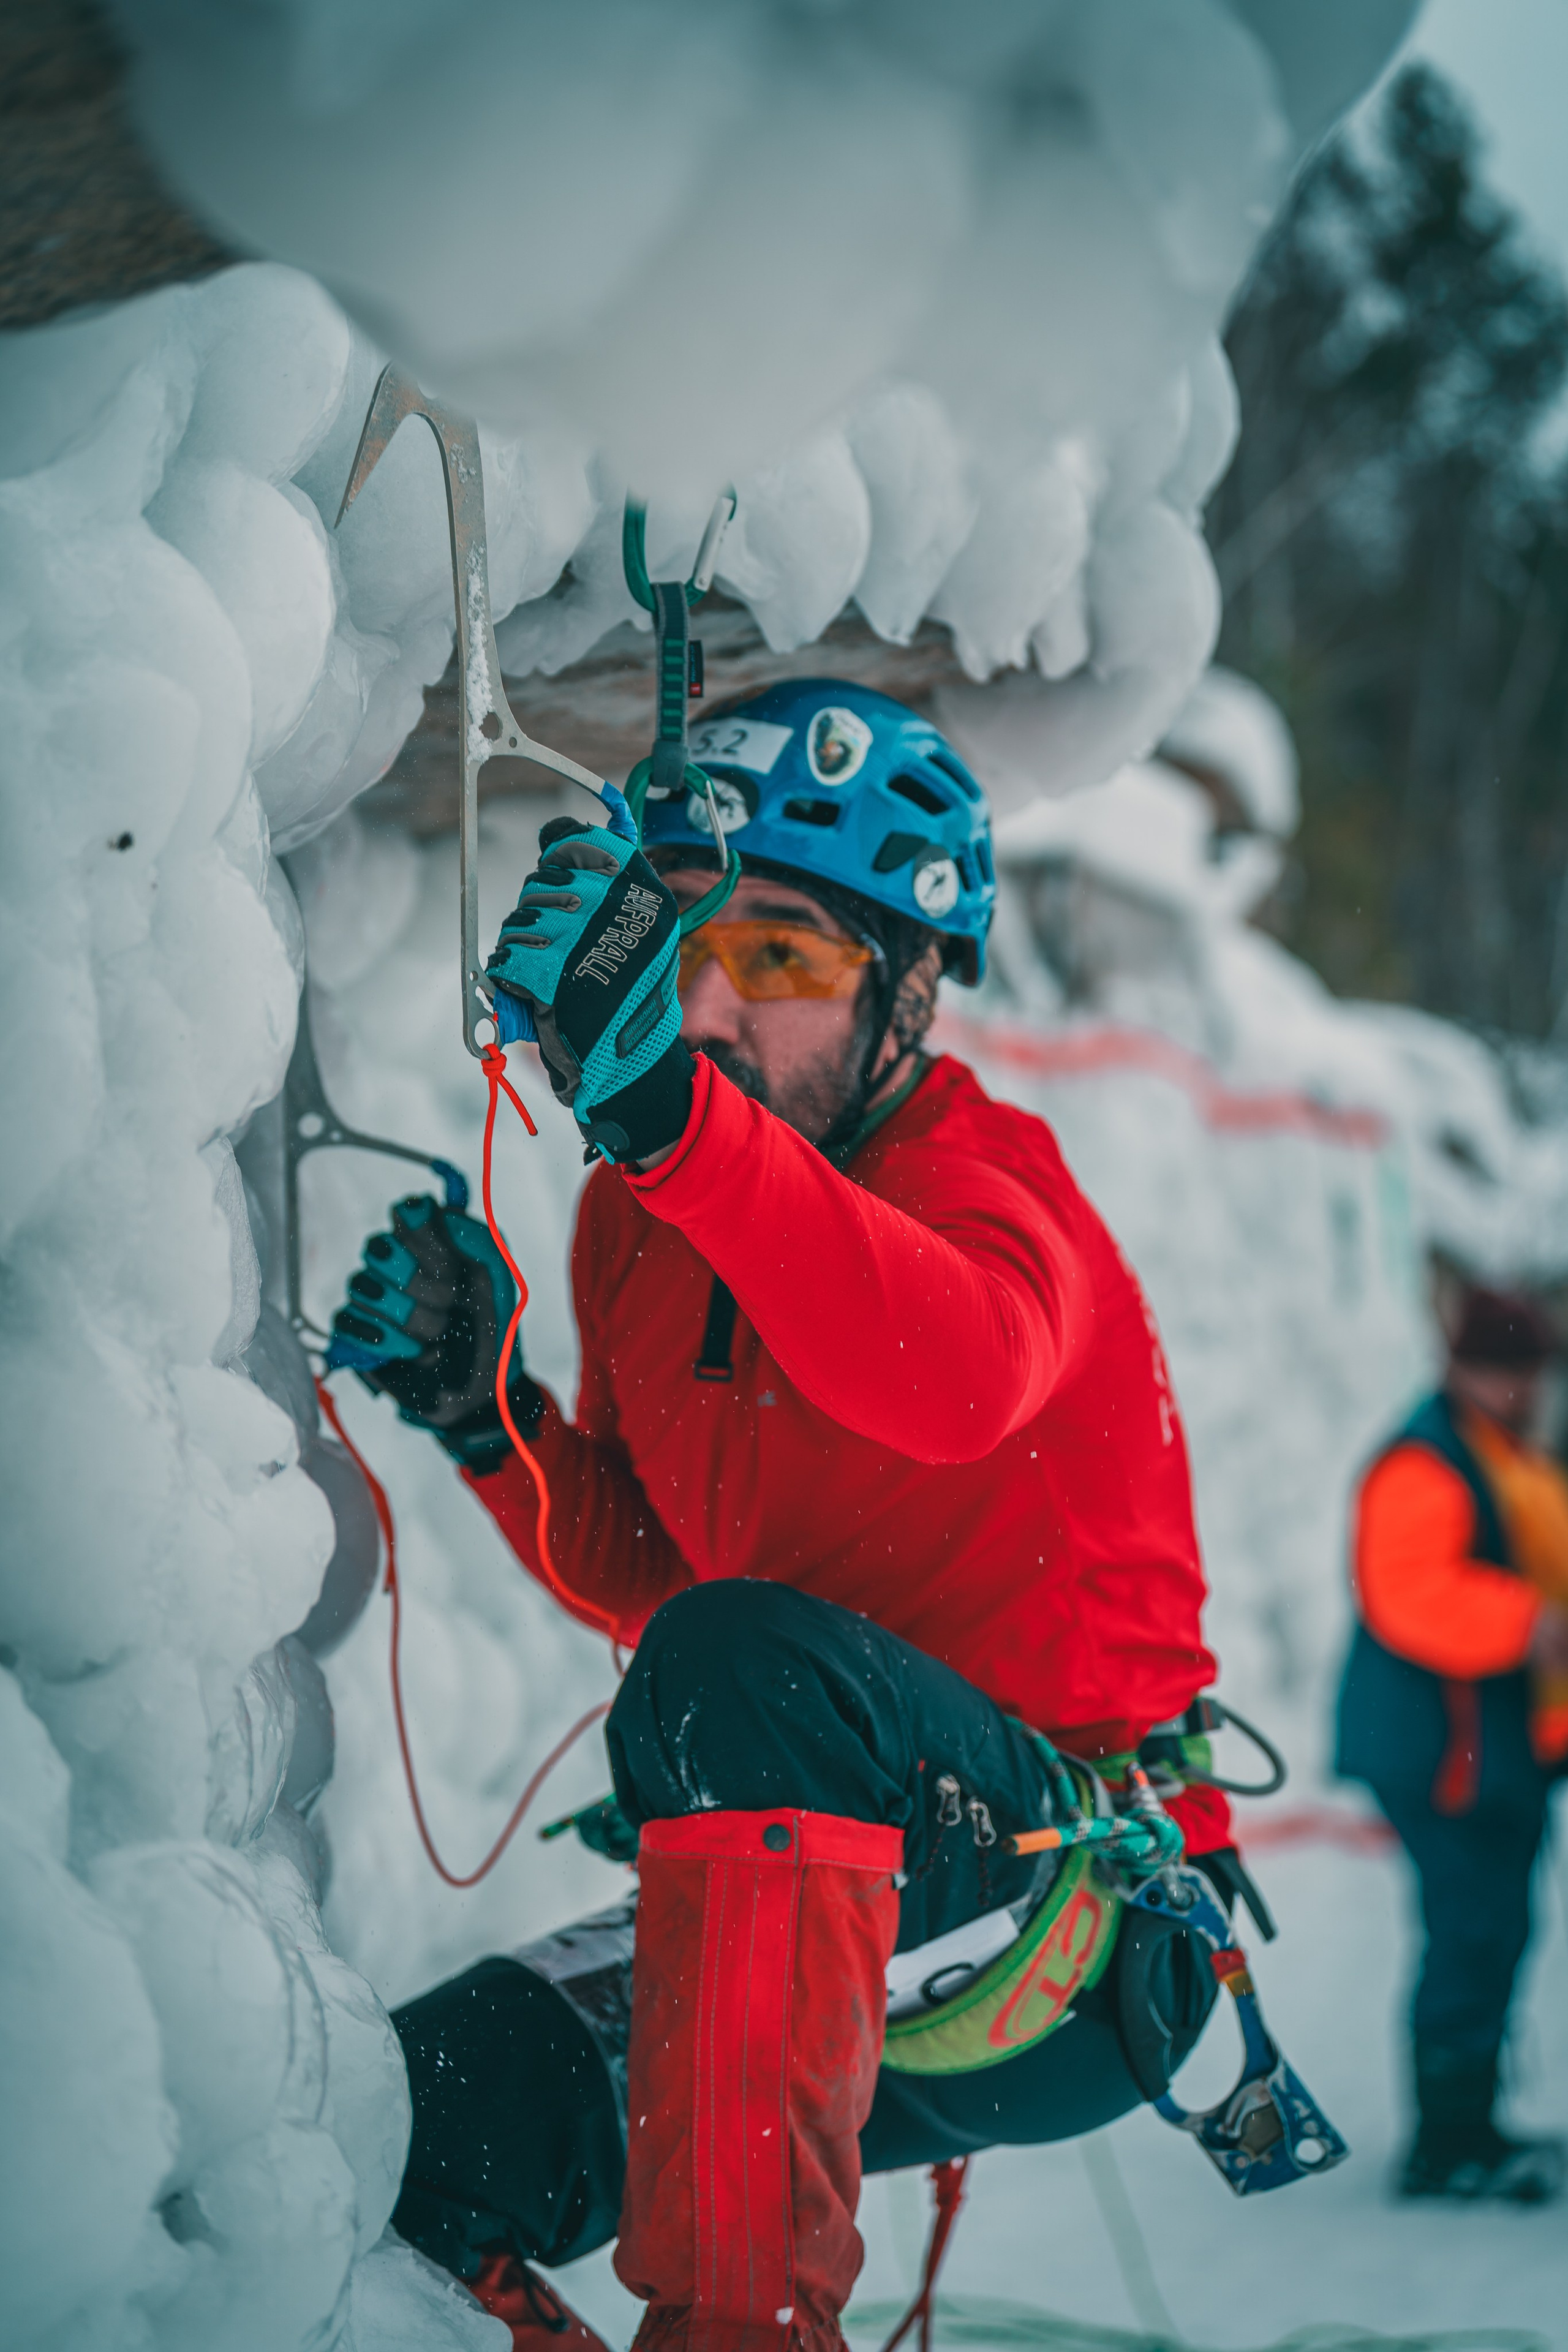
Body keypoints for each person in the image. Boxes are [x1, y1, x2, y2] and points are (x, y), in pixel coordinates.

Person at [330, 682, 1243, 2352]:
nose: (713, 1012)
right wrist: (490, 1418)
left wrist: (669, 1124)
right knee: (402, 2132)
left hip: (1076, 1915)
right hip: (821, 1897)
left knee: (742, 1667)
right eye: (682, 954)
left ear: (910, 992)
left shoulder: (989, 1180)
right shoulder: (638, 1227)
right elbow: (663, 1584)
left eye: (783, 957)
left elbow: (957, 1379)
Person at [1337, 1285, 1568, 2204]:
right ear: (1465, 1367)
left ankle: (1473, 2124)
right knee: (1473, 1933)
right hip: (1446, 1753)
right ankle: (1447, 2146)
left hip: (1490, 1749)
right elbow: (1409, 1594)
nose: (1518, 1388)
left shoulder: (1491, 1450)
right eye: (1503, 1370)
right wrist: (1531, 1623)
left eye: (1527, 1371)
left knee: (1495, 1929)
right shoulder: (1425, 1464)